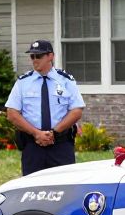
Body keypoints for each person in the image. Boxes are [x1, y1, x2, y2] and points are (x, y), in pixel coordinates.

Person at [5, 39, 84, 176]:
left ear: (50, 56)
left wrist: (54, 133)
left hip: (61, 144)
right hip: (33, 146)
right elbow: (12, 113)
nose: (35, 60)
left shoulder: (65, 80)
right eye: (32, 56)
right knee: (32, 188)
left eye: (39, 56)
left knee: (65, 186)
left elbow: (76, 111)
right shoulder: (23, 82)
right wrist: (37, 133)